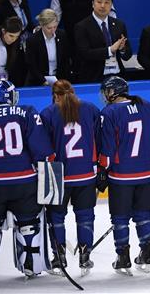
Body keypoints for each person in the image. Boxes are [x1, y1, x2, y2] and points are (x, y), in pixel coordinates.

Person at [0, 79, 53, 277]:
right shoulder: (27, 112)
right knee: (28, 224)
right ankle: (31, 264)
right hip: (24, 182)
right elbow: (41, 151)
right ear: (13, 97)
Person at [97, 75, 150, 274]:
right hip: (144, 172)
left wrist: (102, 170)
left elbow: (107, 148)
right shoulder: (146, 105)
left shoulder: (109, 112)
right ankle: (146, 252)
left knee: (120, 217)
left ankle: (122, 256)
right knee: (143, 214)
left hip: (120, 175)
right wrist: (144, 156)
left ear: (113, 92)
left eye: (106, 91)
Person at [40, 80, 102, 274]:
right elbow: (100, 139)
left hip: (56, 173)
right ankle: (85, 256)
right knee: (85, 216)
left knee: (56, 217)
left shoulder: (48, 113)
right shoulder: (91, 108)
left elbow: (43, 147)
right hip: (85, 171)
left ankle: (59, 258)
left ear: (55, 95)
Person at [74, 0, 132, 83]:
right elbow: (84, 54)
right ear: (93, 3)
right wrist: (110, 50)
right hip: (94, 78)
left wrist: (122, 49)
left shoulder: (119, 24)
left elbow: (127, 55)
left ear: (111, 5)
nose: (103, 5)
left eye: (107, 2)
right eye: (99, 1)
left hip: (117, 76)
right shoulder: (82, 26)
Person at [25, 9, 73, 86]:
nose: (53, 30)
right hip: (38, 82)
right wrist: (43, 81)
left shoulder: (62, 35)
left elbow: (65, 60)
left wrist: (63, 80)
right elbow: (32, 65)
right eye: (49, 28)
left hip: (58, 81)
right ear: (41, 25)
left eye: (55, 27)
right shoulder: (32, 41)